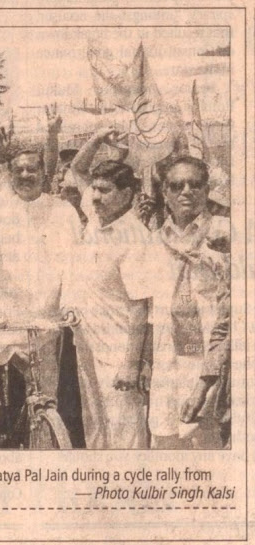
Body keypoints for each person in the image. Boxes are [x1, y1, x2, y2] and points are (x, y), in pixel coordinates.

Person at [0, 145, 82, 444]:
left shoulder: (63, 211)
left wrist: (70, 304)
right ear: (10, 175)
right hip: (1, 305)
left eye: (32, 169)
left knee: (45, 402)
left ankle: (46, 447)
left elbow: (76, 264)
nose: (26, 175)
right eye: (19, 170)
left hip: (47, 311)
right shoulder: (3, 205)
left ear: (44, 173)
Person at [65, 160, 151, 449]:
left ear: (127, 195)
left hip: (119, 351)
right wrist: (100, 135)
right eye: (94, 190)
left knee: (125, 434)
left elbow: (141, 307)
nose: (96, 196)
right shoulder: (95, 219)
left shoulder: (135, 236)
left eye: (105, 190)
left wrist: (130, 365)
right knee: (96, 427)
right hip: (87, 345)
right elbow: (78, 169)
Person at [146, 155, 228, 449]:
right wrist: (145, 362)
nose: (186, 191)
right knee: (166, 439)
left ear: (206, 191)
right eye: (177, 185)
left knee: (209, 445)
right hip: (167, 361)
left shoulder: (226, 233)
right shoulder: (154, 242)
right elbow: (149, 308)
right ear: (165, 194)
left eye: (195, 185)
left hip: (212, 362)